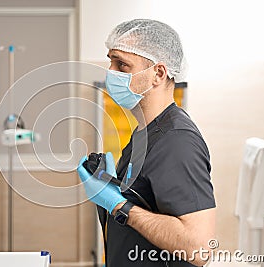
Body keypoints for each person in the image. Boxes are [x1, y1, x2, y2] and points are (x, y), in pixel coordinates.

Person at [77, 19, 216, 267]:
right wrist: (113, 187)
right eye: (110, 61)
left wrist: (118, 204)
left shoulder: (176, 140)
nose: (111, 72)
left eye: (122, 64)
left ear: (158, 74)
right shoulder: (145, 133)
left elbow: (198, 247)